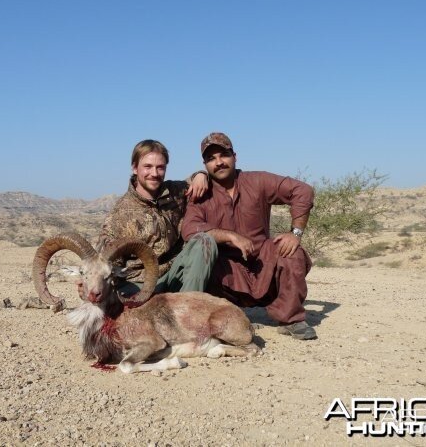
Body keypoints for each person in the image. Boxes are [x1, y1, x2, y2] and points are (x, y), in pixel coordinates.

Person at [181, 132, 317, 340]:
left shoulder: (258, 181)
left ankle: (291, 319)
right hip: (227, 270)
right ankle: (221, 317)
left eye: (223, 155)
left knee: (291, 251)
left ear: (234, 156)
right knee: (203, 255)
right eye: (211, 159)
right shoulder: (200, 193)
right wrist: (230, 236)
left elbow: (303, 191)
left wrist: (295, 233)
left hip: (262, 262)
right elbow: (189, 229)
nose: (219, 162)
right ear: (205, 164)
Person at [93, 139, 217, 298]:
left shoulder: (175, 192)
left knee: (205, 241)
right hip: (139, 285)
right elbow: (105, 263)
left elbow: (193, 180)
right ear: (134, 168)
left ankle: (188, 306)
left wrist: (201, 174)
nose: (154, 173)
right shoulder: (118, 216)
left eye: (160, 167)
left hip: (175, 273)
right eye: (147, 166)